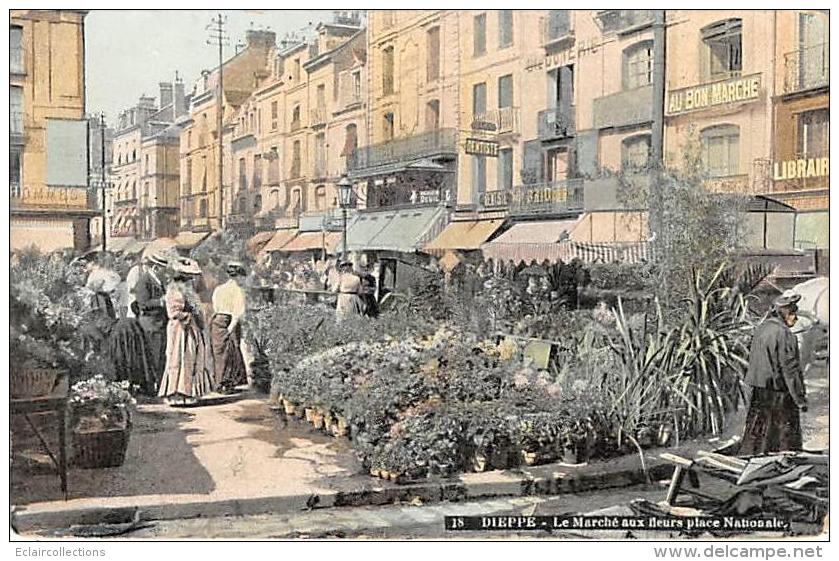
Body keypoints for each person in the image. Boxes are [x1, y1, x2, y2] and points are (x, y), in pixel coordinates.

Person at [739, 292, 808, 455]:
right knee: (784, 436)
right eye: (793, 314)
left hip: (759, 390)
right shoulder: (785, 334)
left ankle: (753, 457)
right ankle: (785, 463)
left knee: (759, 431)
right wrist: (800, 399)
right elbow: (791, 370)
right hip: (779, 392)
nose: (795, 319)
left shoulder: (762, 329)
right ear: (786, 314)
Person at [159, 257, 214, 406]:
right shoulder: (174, 291)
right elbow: (173, 313)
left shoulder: (187, 291)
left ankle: (188, 391)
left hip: (190, 329)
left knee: (190, 358)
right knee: (177, 358)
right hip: (179, 329)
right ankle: (176, 393)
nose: (191, 280)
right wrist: (190, 315)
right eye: (188, 277)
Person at [210, 262, 248, 393]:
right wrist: (231, 328)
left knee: (218, 353)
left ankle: (218, 381)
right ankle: (226, 383)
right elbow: (238, 312)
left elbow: (215, 307)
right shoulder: (238, 290)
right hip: (228, 321)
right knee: (230, 352)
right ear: (239, 276)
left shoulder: (219, 289)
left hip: (217, 321)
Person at [108, 301, 157, 395]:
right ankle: (134, 382)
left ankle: (125, 381)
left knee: (129, 352)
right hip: (127, 326)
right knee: (135, 352)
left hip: (123, 326)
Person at [135, 251, 170, 383]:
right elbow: (143, 303)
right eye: (163, 269)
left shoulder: (157, 280)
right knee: (153, 356)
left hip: (159, 323)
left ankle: (159, 383)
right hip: (150, 323)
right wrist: (161, 301)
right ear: (155, 268)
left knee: (160, 355)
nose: (164, 272)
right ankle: (154, 384)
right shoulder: (144, 281)